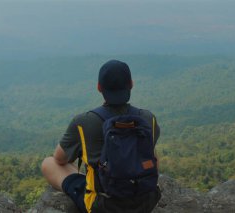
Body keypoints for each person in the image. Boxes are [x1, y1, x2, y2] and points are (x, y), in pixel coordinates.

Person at [41, 59, 161, 213]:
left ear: (99, 87)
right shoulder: (147, 118)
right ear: (131, 84)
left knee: (48, 163)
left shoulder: (84, 121)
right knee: (151, 150)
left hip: (104, 206)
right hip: (146, 202)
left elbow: (59, 159)